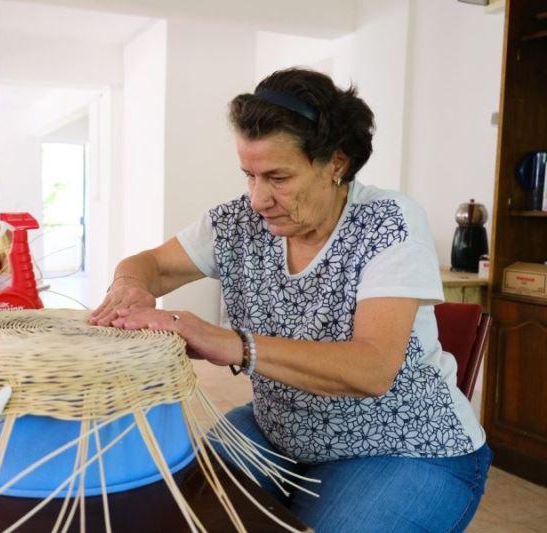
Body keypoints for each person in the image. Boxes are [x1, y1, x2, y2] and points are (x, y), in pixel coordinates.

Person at [89, 68, 491, 532]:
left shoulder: (388, 222)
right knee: (166, 512)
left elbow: (372, 369)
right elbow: (151, 265)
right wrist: (129, 283)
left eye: (278, 177)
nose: (258, 199)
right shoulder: (238, 222)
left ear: (336, 163)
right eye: (249, 175)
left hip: (406, 448)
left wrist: (228, 342)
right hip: (279, 434)